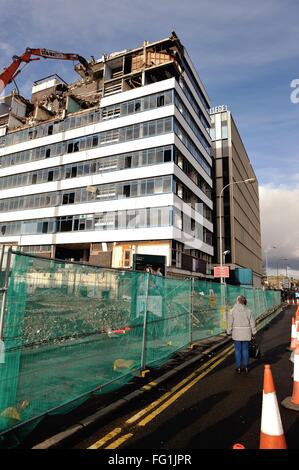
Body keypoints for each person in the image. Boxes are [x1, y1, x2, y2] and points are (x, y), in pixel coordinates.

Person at [226, 295, 257, 374]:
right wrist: (253, 332)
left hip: (236, 333)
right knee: (245, 350)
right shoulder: (248, 310)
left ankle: (238, 367)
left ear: (237, 301)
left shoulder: (232, 311)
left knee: (237, 350)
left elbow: (230, 323)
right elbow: (252, 322)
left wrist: (228, 331)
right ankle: (246, 366)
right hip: (246, 333)